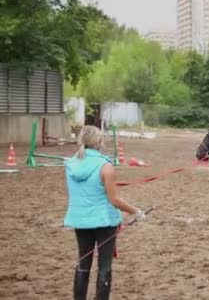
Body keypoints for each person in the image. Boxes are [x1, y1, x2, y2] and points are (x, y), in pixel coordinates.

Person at [64, 125, 146, 300]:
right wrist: (136, 211)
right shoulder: (105, 166)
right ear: (99, 142)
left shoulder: (71, 164)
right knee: (104, 267)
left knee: (83, 263)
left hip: (80, 221)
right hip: (104, 222)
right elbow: (114, 200)